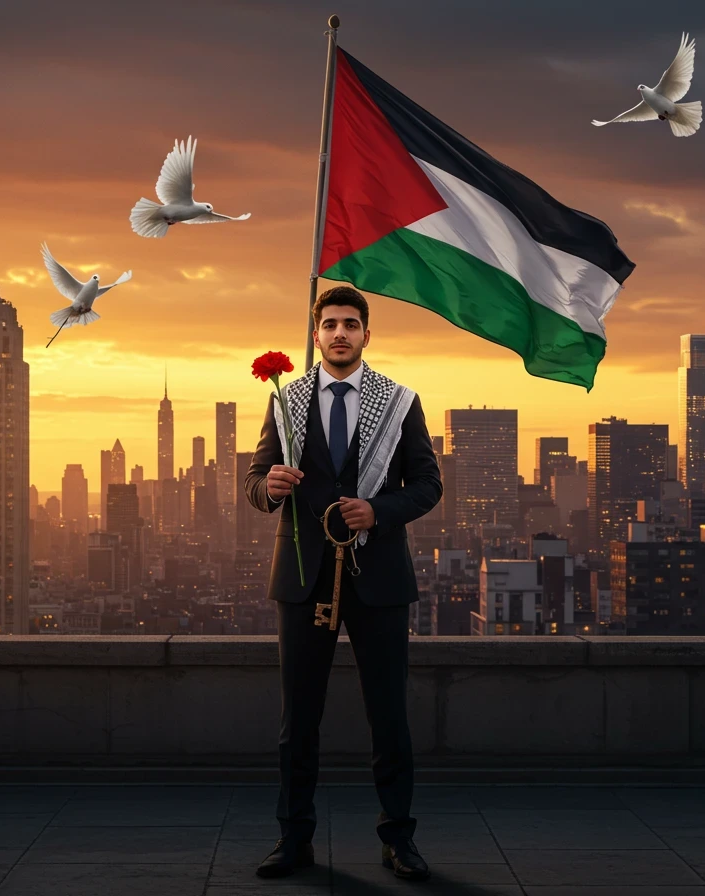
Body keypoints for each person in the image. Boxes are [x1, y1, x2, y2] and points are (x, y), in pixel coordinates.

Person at [245, 285, 442, 881]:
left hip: (377, 577)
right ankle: (293, 839)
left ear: (366, 334)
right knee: (297, 720)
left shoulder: (401, 403)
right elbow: (256, 480)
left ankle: (398, 839)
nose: (339, 333)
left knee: (390, 718)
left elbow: (428, 485)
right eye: (329, 324)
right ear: (315, 334)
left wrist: (378, 511)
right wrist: (269, 488)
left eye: (350, 324)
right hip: (304, 579)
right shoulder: (287, 401)